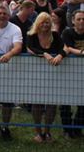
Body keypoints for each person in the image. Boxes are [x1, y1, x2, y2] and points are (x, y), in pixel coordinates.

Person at [27, 12, 66, 143]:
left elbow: (63, 48)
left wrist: (60, 56)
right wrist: (45, 54)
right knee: (37, 104)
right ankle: (38, 133)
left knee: (51, 104)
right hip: (35, 75)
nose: (45, 24)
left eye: (47, 22)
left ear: (51, 23)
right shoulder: (31, 35)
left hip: (53, 76)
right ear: (38, 23)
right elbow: (30, 48)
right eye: (42, 22)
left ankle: (47, 132)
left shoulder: (55, 35)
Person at [0, 5, 22, 140]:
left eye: (4, 14)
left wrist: (9, 54)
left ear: (8, 15)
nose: (1, 16)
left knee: (7, 101)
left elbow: (18, 47)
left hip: (9, 68)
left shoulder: (15, 29)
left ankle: (5, 127)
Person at [60, 10, 84, 139]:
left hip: (82, 73)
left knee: (83, 103)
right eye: (79, 19)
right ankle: (67, 129)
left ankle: (78, 128)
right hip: (68, 72)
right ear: (73, 21)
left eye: (83, 19)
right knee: (65, 103)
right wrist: (81, 52)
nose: (81, 21)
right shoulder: (67, 32)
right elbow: (67, 47)